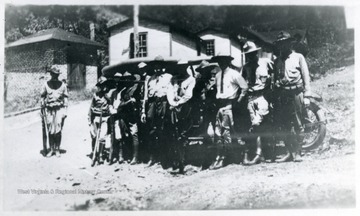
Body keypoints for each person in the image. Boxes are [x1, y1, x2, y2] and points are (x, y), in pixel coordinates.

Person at [272, 31, 312, 163]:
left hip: (296, 93)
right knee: (284, 125)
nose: (283, 46)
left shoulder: (298, 57)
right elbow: (276, 79)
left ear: (289, 44)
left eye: (285, 43)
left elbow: (306, 76)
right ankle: (289, 152)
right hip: (283, 95)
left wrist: (307, 95)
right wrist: (276, 84)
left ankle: (298, 152)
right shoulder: (277, 60)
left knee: (298, 124)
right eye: (280, 44)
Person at [210, 54, 248, 170]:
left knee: (228, 131)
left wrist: (239, 100)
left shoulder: (234, 74)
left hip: (230, 105)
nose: (221, 63)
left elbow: (244, 87)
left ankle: (227, 157)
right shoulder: (218, 75)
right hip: (219, 105)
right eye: (219, 61)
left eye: (224, 61)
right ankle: (220, 156)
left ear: (228, 62)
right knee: (218, 131)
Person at [241, 41, 273, 165]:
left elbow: (274, 73)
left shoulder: (265, 62)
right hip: (250, 98)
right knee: (254, 125)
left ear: (256, 53)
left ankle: (258, 153)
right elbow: (242, 82)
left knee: (257, 124)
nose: (251, 56)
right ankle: (259, 154)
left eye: (253, 54)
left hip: (262, 96)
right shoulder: (246, 67)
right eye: (248, 55)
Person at [141, 55, 174, 167]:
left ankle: (165, 158)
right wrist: (143, 112)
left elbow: (172, 92)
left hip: (164, 103)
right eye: (155, 66)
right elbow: (145, 97)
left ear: (163, 66)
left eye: (159, 66)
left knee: (164, 130)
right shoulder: (150, 79)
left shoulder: (169, 77)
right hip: (152, 104)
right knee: (151, 131)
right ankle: (152, 157)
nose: (157, 68)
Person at [167, 62, 196, 174]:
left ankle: (184, 161)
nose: (181, 69)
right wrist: (172, 103)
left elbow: (188, 95)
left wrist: (179, 102)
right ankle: (177, 160)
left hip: (185, 107)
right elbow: (169, 92)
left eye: (183, 67)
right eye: (179, 67)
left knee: (183, 133)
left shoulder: (190, 79)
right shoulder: (174, 79)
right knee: (175, 132)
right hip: (173, 107)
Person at [110, 72, 142, 165]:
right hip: (124, 115)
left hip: (133, 115)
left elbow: (137, 101)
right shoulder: (123, 91)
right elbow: (120, 105)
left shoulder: (135, 89)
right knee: (125, 135)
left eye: (129, 78)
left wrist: (130, 102)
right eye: (125, 79)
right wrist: (126, 103)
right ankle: (127, 155)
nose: (127, 80)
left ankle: (135, 157)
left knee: (134, 134)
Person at [41, 66, 68, 157]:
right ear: (51, 74)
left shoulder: (63, 85)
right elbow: (42, 96)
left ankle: (57, 149)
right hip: (49, 110)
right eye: (53, 74)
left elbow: (66, 99)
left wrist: (65, 111)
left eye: (57, 75)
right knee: (50, 130)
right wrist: (42, 106)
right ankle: (51, 149)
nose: (55, 76)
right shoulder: (46, 84)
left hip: (59, 109)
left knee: (58, 130)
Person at [88, 76, 112, 164]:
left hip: (105, 118)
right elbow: (91, 108)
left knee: (102, 137)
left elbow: (111, 106)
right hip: (96, 118)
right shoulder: (95, 95)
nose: (103, 87)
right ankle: (95, 153)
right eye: (101, 86)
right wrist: (90, 121)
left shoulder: (108, 96)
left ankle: (101, 155)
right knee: (94, 136)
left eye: (105, 85)